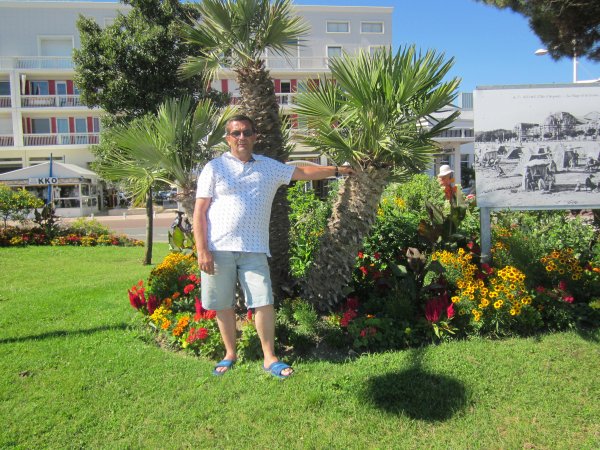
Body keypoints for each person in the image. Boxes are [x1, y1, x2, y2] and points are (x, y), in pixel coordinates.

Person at [193, 114, 353, 378]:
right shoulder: (214, 168)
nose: (241, 137)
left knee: (263, 301)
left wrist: (337, 171)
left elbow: (302, 172)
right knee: (223, 304)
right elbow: (200, 211)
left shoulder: (268, 167)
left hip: (255, 248)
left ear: (255, 136)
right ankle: (229, 354)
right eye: (236, 133)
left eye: (246, 132)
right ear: (228, 138)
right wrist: (202, 250)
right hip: (218, 247)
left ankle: (270, 357)